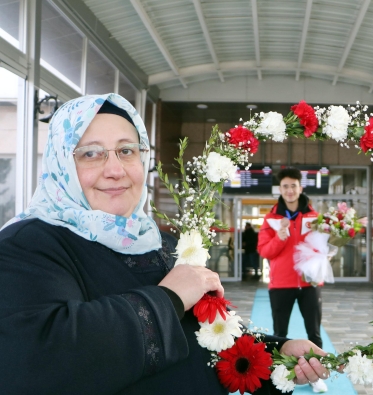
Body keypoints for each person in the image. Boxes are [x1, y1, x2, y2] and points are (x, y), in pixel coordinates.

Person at [0, 93, 331, 395]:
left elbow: (212, 335)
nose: (115, 169)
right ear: (61, 163)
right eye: (91, 153)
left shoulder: (162, 243)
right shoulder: (26, 246)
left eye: (127, 150)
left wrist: (278, 353)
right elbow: (38, 362)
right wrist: (169, 298)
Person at [258, 168, 328, 393]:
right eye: (285, 186)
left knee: (314, 333)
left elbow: (322, 246)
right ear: (280, 189)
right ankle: (283, 375)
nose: (289, 190)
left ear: (300, 188)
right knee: (280, 333)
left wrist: (326, 252)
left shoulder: (313, 217)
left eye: (293, 186)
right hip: (281, 285)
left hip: (309, 284)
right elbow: (264, 251)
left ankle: (317, 375)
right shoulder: (271, 219)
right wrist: (279, 238)